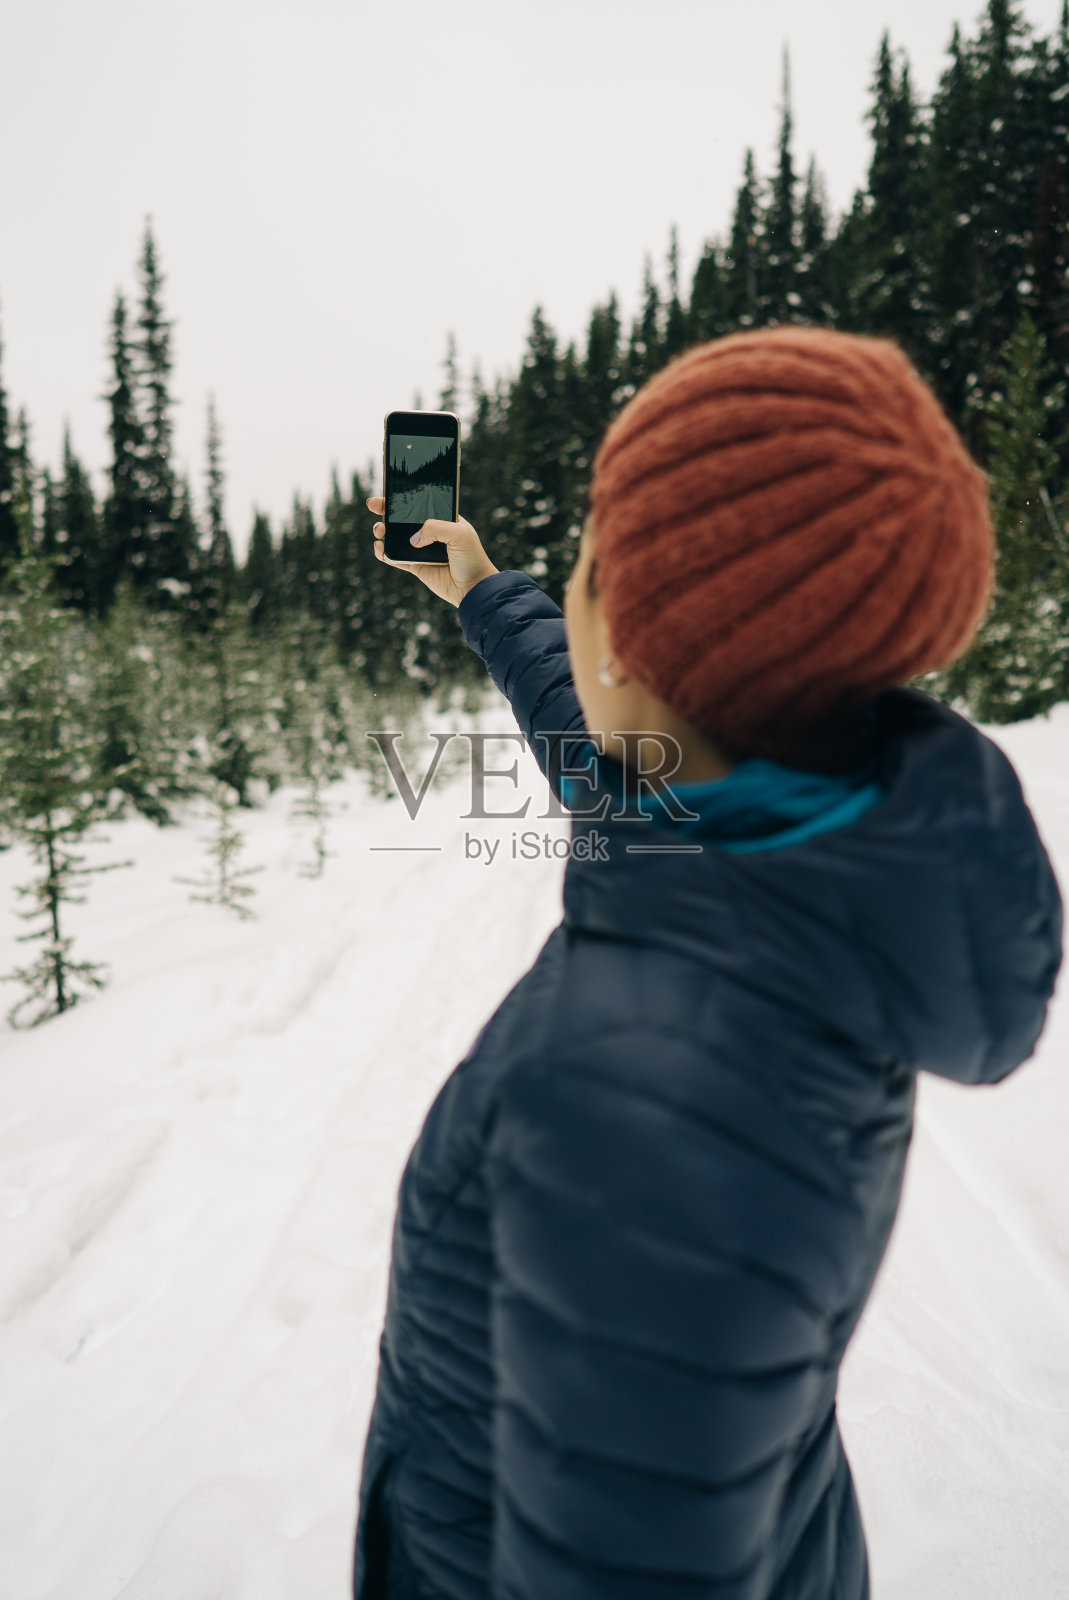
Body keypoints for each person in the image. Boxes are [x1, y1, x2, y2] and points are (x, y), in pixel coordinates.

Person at [351, 327, 1063, 1600]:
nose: (572, 592)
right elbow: (587, 720)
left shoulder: (647, 1103)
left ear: (637, 640)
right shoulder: (765, 825)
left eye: (588, 562)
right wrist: (476, 587)